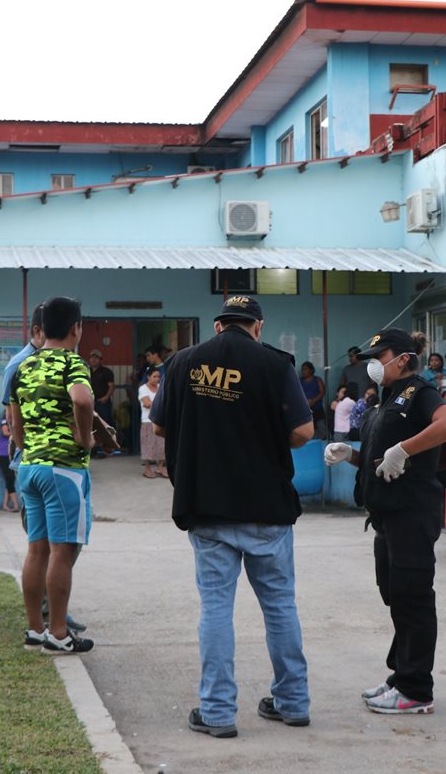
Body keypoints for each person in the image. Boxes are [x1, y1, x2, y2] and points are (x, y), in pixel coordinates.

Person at [151, 295, 314, 739]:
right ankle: (293, 702)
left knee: (216, 609)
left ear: (219, 326)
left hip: (207, 504)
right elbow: (302, 431)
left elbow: (161, 426)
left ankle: (219, 713)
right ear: (257, 327)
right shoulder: (276, 365)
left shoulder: (183, 363)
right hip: (267, 507)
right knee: (280, 606)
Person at [324, 328, 446, 715]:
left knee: (414, 598)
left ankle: (417, 690)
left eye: (378, 356)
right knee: (395, 594)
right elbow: (379, 457)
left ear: (402, 358)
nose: (372, 364)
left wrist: (404, 448)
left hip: (412, 512)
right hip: (386, 514)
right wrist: (349, 454)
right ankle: (401, 674)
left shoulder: (421, 392)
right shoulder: (387, 399)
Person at [9, 296, 95, 654]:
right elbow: (83, 400)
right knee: (62, 551)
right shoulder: (72, 364)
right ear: (76, 328)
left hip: (29, 466)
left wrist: (29, 444)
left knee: (36, 550)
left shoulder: (23, 366)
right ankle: (59, 634)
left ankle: (35, 630)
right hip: (62, 469)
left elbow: (14, 426)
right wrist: (85, 437)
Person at [137, 367, 166, 479]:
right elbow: (147, 404)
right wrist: (161, 403)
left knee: (162, 445)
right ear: (148, 376)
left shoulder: (160, 388)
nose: (157, 379)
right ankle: (147, 469)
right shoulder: (143, 389)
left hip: (160, 420)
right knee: (148, 445)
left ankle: (160, 467)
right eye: (154, 376)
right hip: (147, 420)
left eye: (158, 377)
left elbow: (153, 403)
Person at [87, 350, 115, 459]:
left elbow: (111, 386)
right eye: (92, 357)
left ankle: (104, 449)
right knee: (91, 425)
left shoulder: (106, 371)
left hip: (102, 403)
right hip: (90, 403)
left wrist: (106, 397)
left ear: (100, 359)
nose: (93, 359)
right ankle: (93, 449)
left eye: (96, 357)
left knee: (103, 425)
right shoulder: (86, 371)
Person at [299, 362, 326, 439]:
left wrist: (314, 400)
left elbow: (322, 392)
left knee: (321, 427)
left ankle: (320, 442)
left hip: (317, 408)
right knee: (307, 428)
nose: (303, 371)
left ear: (311, 370)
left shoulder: (317, 380)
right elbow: (295, 393)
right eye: (302, 369)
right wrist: (305, 401)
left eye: (305, 369)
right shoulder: (299, 381)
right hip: (304, 409)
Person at [0, 413, 17, 512]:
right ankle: (16, 505)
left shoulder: (15, 421)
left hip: (12, 454)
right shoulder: (5, 420)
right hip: (3, 454)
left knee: (10, 480)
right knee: (9, 477)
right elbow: (5, 432)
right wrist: (18, 433)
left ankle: (5, 505)